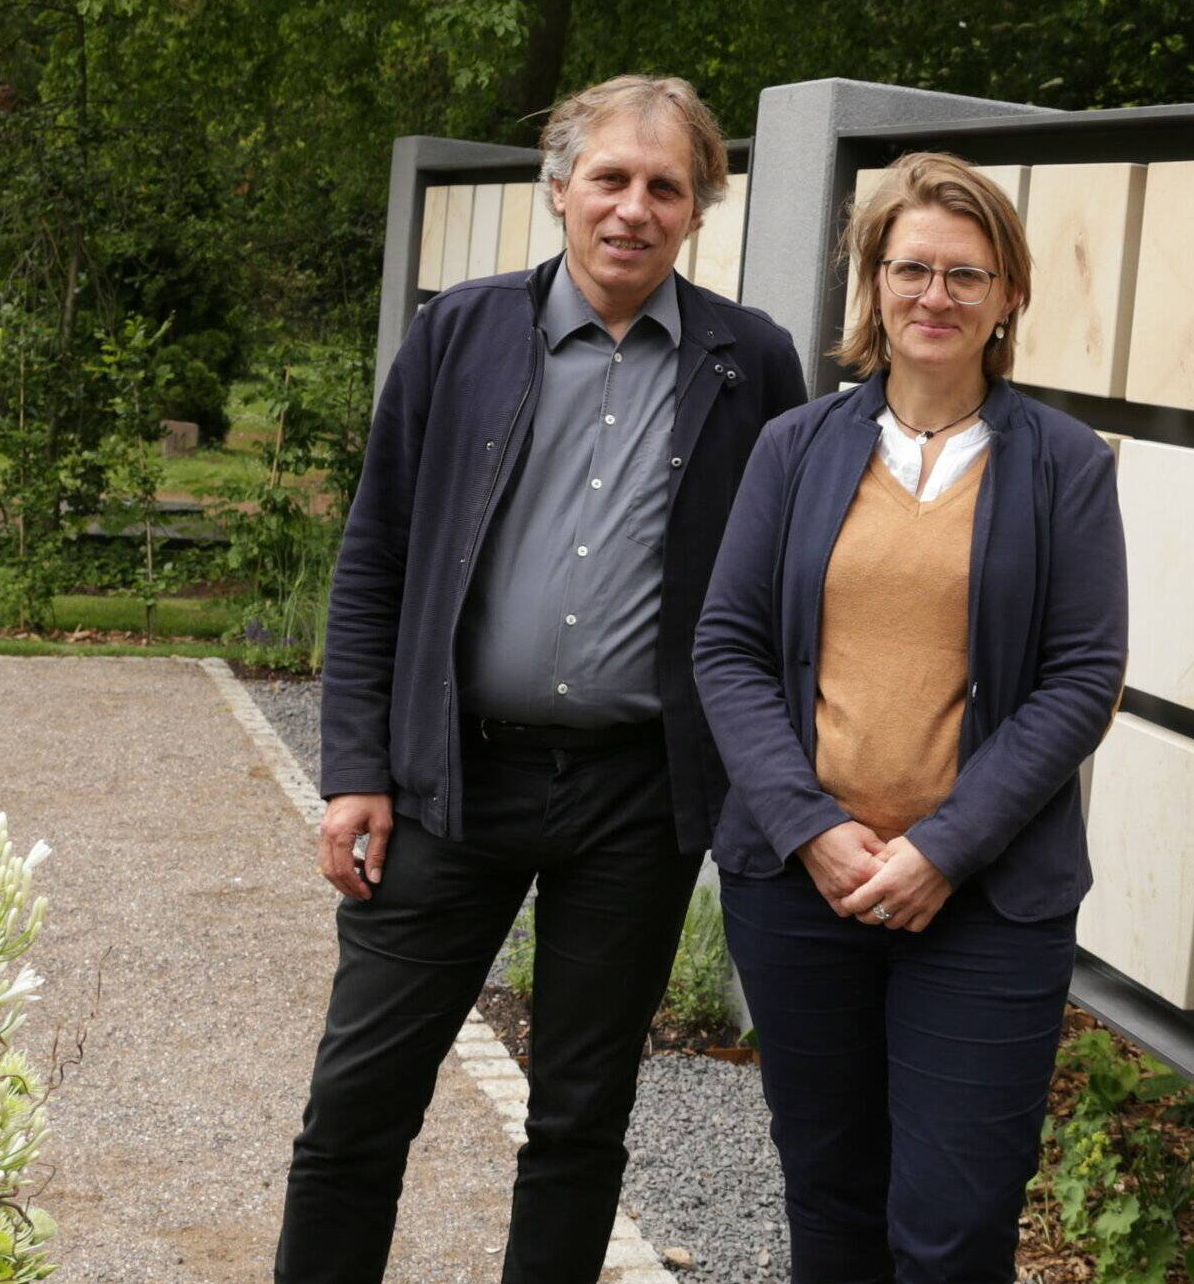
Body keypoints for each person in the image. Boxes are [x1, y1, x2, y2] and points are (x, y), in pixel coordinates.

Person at [277, 74, 806, 1283]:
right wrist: (355, 766)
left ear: (697, 210)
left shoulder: (751, 363)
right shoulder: (459, 333)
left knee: (579, 1119)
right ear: (558, 186)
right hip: (448, 779)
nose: (632, 207)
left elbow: (781, 584)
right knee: (357, 1104)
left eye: (664, 186)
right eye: (609, 178)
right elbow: (374, 561)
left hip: (635, 799)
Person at [693, 151, 1128, 1284]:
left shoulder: (1065, 466)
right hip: (803, 888)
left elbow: (1083, 675)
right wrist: (809, 825)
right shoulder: (795, 448)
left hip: (985, 903)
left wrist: (943, 845)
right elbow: (726, 646)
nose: (933, 295)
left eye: (965, 275)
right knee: (830, 1202)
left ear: (1007, 298)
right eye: (910, 268)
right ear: (873, 284)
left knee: (951, 1223)